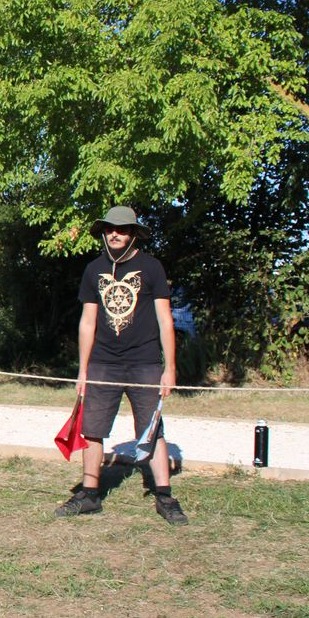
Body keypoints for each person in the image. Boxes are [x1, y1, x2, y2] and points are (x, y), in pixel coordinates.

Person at [55, 206, 186, 525]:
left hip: (144, 363)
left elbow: (165, 320)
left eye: (123, 229)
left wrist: (169, 367)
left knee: (152, 430)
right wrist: (83, 370)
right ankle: (89, 495)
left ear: (133, 234)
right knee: (92, 430)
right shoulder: (93, 270)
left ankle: (164, 496)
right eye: (110, 228)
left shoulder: (152, 267)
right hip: (103, 363)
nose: (115, 233)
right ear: (104, 232)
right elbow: (87, 322)